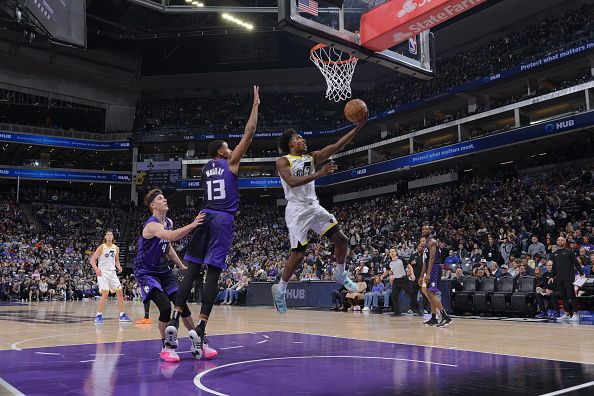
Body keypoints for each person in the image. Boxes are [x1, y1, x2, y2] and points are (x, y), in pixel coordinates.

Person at [168, 86, 260, 359]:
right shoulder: (230, 163)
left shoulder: (205, 169)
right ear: (221, 153)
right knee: (214, 273)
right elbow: (250, 133)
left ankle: (174, 320)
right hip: (221, 219)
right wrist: (255, 105)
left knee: (192, 269)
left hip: (203, 216)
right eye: (227, 148)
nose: (230, 149)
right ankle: (202, 326)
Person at [271, 110, 369, 313]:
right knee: (298, 255)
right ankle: (280, 289)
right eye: (298, 138)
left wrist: (358, 127)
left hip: (314, 206)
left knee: (341, 240)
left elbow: (336, 146)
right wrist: (319, 174)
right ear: (290, 144)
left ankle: (340, 274)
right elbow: (292, 182)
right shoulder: (283, 161)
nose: (302, 139)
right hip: (297, 210)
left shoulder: (312, 157)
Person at [134, 188, 210, 363]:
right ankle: (166, 347)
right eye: (161, 199)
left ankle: (200, 342)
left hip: (163, 270)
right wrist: (193, 224)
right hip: (145, 272)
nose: (165, 200)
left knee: (182, 305)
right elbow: (171, 237)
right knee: (165, 308)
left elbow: (167, 246)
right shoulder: (151, 225)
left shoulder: (168, 221)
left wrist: (181, 265)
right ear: (153, 205)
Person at [90, 230, 130, 323]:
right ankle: (98, 315)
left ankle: (122, 315)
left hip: (112, 273)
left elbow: (116, 260)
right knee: (105, 292)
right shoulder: (102, 247)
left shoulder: (116, 248)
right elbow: (92, 260)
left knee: (119, 292)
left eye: (111, 234)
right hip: (103, 273)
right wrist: (96, 269)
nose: (109, 236)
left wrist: (119, 266)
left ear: (113, 237)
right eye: (107, 234)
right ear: (105, 237)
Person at [419, 223, 452, 327]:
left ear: (430, 231)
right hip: (429, 268)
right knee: (429, 293)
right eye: (423, 229)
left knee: (431, 293)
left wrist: (428, 273)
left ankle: (446, 317)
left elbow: (432, 259)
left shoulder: (432, 242)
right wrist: (421, 275)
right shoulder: (425, 244)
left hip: (434, 268)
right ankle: (433, 318)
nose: (424, 230)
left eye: (426, 229)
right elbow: (425, 261)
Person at [549, 236, 584, 322]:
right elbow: (554, 267)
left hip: (569, 277)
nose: (560, 241)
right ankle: (567, 313)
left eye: (562, 240)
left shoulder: (569, 252)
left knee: (571, 296)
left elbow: (576, 263)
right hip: (559, 278)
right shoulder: (554, 254)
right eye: (558, 240)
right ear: (557, 242)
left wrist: (581, 273)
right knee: (563, 296)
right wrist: (551, 276)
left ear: (565, 242)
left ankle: (575, 314)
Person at [385, 247, 420, 317]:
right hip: (396, 281)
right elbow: (388, 271)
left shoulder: (401, 259)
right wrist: (383, 276)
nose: (392, 253)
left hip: (404, 280)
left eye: (393, 251)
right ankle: (397, 312)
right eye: (391, 252)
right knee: (394, 296)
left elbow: (410, 266)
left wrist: (412, 274)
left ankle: (418, 310)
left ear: (396, 252)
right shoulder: (389, 262)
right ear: (389, 254)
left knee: (411, 295)